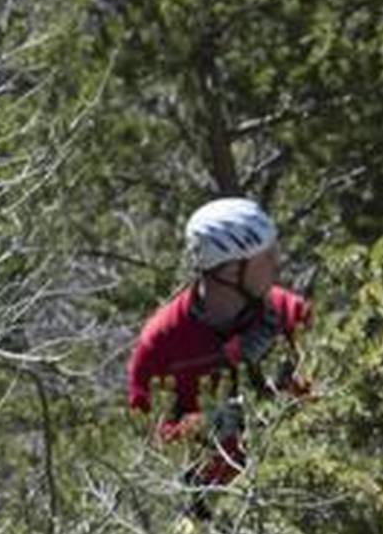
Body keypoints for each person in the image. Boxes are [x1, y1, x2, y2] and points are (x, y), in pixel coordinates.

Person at [126, 197, 313, 493]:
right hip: (207, 503)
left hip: (297, 489)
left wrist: (282, 397)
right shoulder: (161, 341)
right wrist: (207, 423)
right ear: (229, 271)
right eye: (265, 257)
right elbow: (149, 438)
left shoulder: (292, 314)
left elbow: (329, 400)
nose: (276, 263)